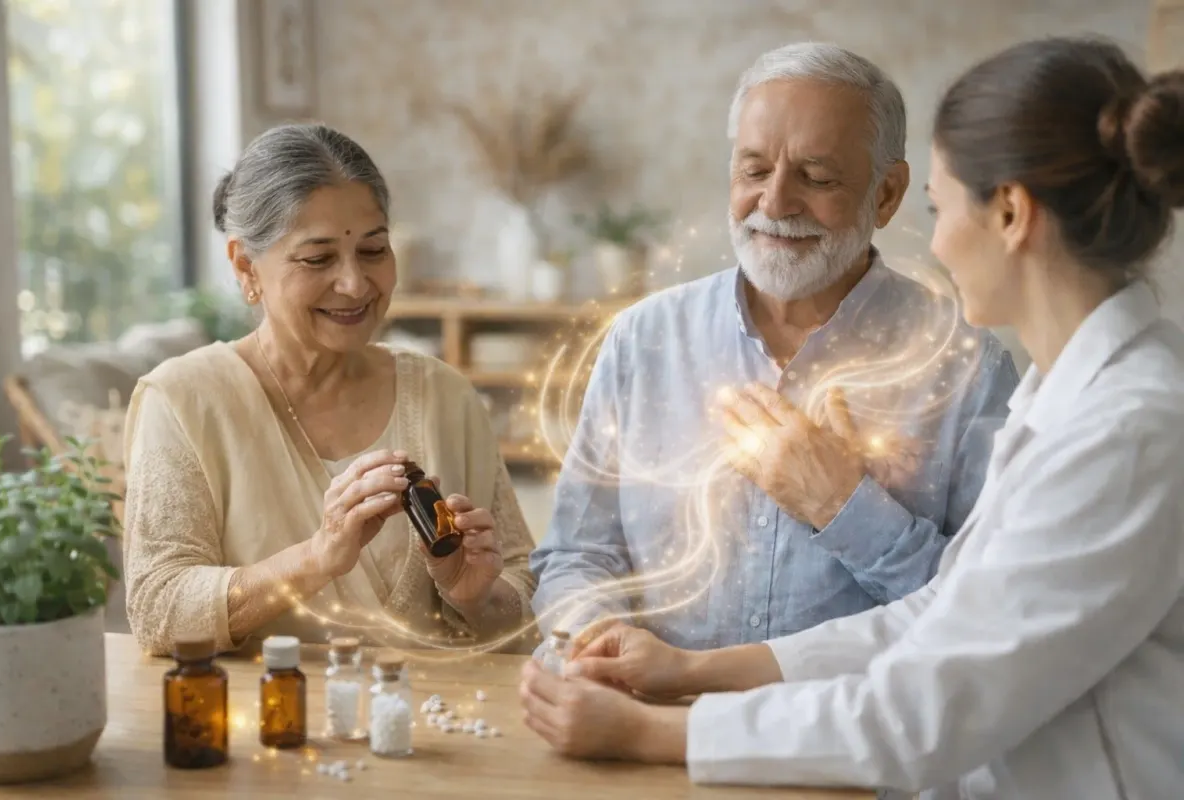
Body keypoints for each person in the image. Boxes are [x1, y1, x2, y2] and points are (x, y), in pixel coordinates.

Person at [518, 36, 1184, 799]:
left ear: (1009, 214)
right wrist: (693, 671)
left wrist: (654, 732)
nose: (932, 242)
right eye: (755, 168)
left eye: (937, 207)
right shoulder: (1067, 397)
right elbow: (944, 613)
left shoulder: (1127, 429)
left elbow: (920, 714)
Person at [530, 43, 1018, 649]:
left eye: (816, 177)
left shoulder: (968, 367)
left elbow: (993, 615)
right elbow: (576, 558)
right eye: (755, 170)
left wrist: (842, 505)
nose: (776, 204)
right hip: (650, 725)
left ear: (887, 194)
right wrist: (595, 642)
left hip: (858, 739)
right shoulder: (644, 339)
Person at [123, 124, 537, 656]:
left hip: (441, 728)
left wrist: (477, 596)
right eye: (318, 259)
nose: (355, 284)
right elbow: (158, 610)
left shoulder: (444, 395)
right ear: (246, 267)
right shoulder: (183, 401)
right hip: (273, 729)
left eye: (373, 250)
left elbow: (525, 607)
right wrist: (317, 557)